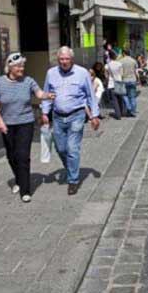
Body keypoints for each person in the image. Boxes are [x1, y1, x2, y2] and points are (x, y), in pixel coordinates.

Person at [0, 52, 55, 203]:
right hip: (7, 124)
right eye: (18, 66)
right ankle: (19, 180)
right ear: (10, 67)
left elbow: (39, 93)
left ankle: (25, 190)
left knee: (23, 155)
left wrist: (48, 95)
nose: (21, 68)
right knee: (11, 155)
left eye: (22, 66)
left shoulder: (28, 81)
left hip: (25, 122)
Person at [41, 46, 100, 196]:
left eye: (67, 59)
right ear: (58, 59)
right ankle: (71, 169)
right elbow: (47, 93)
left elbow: (90, 95)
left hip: (77, 114)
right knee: (61, 149)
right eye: (61, 59)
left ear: (72, 59)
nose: (64, 62)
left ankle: (73, 180)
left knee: (72, 148)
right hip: (58, 116)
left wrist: (94, 116)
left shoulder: (82, 73)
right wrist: (44, 112)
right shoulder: (51, 73)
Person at [120, 49, 140, 117]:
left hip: (124, 80)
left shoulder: (121, 61)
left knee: (124, 95)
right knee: (132, 97)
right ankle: (133, 111)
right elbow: (136, 71)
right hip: (132, 80)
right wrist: (138, 79)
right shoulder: (133, 61)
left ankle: (128, 107)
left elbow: (120, 72)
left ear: (123, 53)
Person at [105, 50, 124, 120]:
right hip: (119, 82)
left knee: (114, 100)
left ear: (109, 57)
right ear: (115, 56)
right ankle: (121, 112)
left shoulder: (107, 65)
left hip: (111, 84)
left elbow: (106, 76)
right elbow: (122, 74)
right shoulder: (119, 64)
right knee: (120, 99)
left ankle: (118, 115)